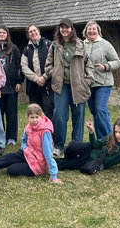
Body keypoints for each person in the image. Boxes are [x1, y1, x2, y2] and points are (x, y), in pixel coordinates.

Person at [0, 103, 62, 184]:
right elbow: (24, 140)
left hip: (38, 162)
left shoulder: (45, 132)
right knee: (7, 158)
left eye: (37, 117)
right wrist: (24, 148)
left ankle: (22, 165)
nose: (34, 120)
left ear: (42, 116)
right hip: (27, 153)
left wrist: (53, 175)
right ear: (28, 118)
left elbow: (48, 154)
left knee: (11, 170)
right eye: (32, 117)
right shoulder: (28, 127)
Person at [42, 18, 93, 156]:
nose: (64, 30)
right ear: (59, 29)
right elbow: (48, 64)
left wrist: (88, 79)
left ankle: (76, 147)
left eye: (67, 27)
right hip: (61, 86)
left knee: (78, 116)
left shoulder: (80, 44)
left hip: (78, 86)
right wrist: (53, 72)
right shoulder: (54, 45)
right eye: (62, 27)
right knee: (59, 116)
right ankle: (58, 146)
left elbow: (88, 63)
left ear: (72, 29)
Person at [57, 118, 120, 182]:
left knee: (65, 164)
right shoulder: (110, 138)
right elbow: (94, 145)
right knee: (72, 146)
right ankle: (67, 153)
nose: (117, 135)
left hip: (92, 161)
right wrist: (91, 132)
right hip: (89, 149)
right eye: (115, 132)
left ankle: (50, 163)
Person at [82, 20, 120, 138]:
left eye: (94, 29)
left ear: (98, 31)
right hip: (88, 83)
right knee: (95, 112)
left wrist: (106, 66)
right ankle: (101, 140)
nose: (91, 31)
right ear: (85, 31)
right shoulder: (81, 45)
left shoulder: (105, 44)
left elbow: (116, 61)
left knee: (100, 109)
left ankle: (110, 139)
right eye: (89, 29)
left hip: (103, 82)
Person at [0, 26, 24, 145]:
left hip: (11, 86)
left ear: (7, 34)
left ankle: (11, 137)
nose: (1, 34)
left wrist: (19, 81)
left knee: (11, 113)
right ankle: (0, 136)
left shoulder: (13, 48)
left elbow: (19, 65)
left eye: (3, 32)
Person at [21, 24, 54, 119]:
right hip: (33, 87)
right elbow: (24, 66)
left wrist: (44, 77)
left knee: (48, 113)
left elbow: (54, 62)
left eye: (34, 30)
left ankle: (48, 129)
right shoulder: (27, 49)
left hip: (47, 85)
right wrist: (36, 79)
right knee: (35, 114)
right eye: (30, 31)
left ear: (39, 32)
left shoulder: (48, 44)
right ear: (28, 35)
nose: (33, 33)